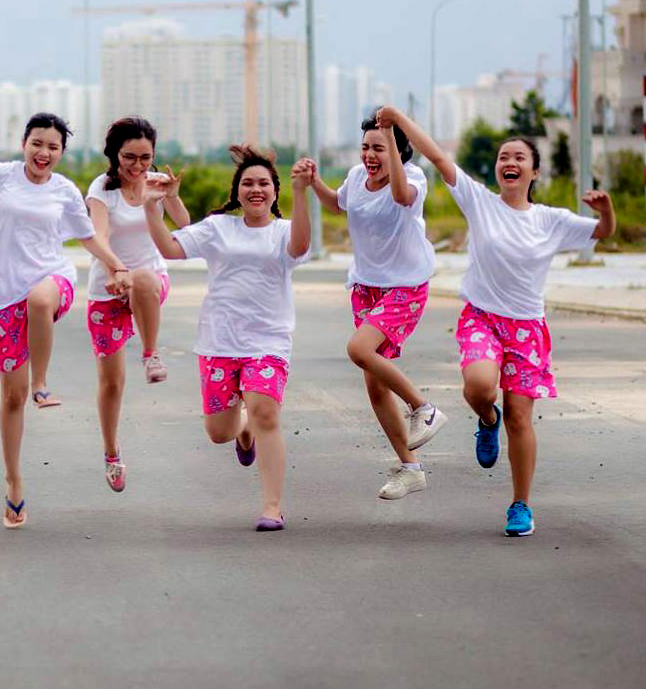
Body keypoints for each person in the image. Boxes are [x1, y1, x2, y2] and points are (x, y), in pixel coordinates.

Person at [384, 106, 614, 537]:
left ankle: (520, 504)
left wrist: (606, 212)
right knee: (479, 388)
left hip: (527, 328)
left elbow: (602, 232)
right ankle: (487, 420)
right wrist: (398, 120)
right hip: (482, 318)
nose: (509, 162)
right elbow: (437, 156)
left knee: (520, 418)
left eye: (519, 157)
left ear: (534, 172)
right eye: (503, 157)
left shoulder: (550, 220)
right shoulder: (480, 202)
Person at [0, 113, 129, 527]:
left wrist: (117, 265)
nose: (43, 152)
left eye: (53, 147)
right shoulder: (1, 176)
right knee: (11, 398)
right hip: (3, 292)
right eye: (37, 143)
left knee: (39, 299)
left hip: (52, 277)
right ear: (24, 144)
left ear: (61, 152)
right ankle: (13, 481)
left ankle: (42, 383)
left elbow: (88, 237)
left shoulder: (64, 190)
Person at [143, 146, 313, 531]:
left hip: (268, 343)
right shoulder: (218, 228)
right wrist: (151, 206)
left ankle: (272, 508)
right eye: (248, 183)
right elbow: (170, 248)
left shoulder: (284, 232)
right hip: (219, 343)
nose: (256, 190)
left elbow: (301, 246)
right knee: (219, 432)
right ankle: (243, 430)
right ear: (237, 191)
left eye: (264, 184)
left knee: (266, 412)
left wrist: (301, 191)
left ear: (275, 191)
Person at [305, 113, 446, 500]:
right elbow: (338, 204)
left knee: (358, 349)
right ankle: (410, 468)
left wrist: (393, 147)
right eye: (365, 147)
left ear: (398, 151)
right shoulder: (355, 177)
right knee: (375, 385)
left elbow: (401, 197)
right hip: (366, 288)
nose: (369, 155)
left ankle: (423, 407)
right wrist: (314, 182)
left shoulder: (413, 178)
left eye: (379, 148)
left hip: (405, 286)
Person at [83, 116, 189, 492]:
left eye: (146, 157)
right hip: (108, 286)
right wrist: (116, 269)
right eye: (130, 157)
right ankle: (111, 453)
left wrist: (171, 195)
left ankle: (150, 353)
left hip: (148, 282)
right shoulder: (102, 188)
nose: (138, 165)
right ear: (115, 154)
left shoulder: (155, 182)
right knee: (111, 383)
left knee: (144, 278)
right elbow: (98, 235)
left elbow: (184, 223)